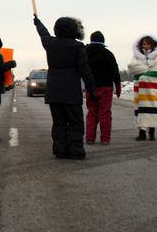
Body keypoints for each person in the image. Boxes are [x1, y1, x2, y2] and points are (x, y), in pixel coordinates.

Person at [33, 15, 95, 160]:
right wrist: (91, 88)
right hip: (71, 92)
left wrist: (38, 23)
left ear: (57, 29)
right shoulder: (78, 46)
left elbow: (44, 33)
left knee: (59, 122)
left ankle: (60, 150)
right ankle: (76, 150)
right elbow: (85, 70)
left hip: (54, 91)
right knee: (75, 122)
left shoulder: (50, 44)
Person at [84, 30, 121, 145]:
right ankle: (105, 139)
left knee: (92, 112)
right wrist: (118, 86)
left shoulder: (85, 53)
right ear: (102, 41)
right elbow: (115, 71)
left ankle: (90, 138)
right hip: (106, 87)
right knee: (105, 113)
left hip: (91, 88)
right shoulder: (108, 54)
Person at [128, 34, 157, 141]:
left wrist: (144, 73)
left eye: (148, 43)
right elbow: (132, 67)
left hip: (153, 86)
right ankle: (142, 132)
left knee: (152, 107)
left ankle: (152, 130)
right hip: (140, 87)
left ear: (152, 45)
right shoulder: (137, 55)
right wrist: (147, 70)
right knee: (141, 109)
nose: (146, 46)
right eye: (144, 43)